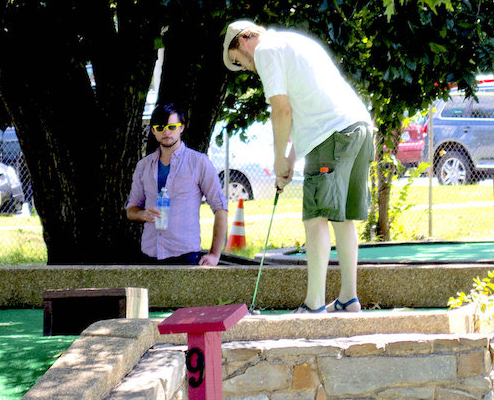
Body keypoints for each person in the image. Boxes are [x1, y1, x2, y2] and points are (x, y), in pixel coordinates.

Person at [222, 20, 374, 313]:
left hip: (331, 135)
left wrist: (278, 156)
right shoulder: (294, 42)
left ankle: (314, 304)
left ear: (242, 41)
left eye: (238, 62)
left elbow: (282, 110)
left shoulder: (265, 51)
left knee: (315, 218)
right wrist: (290, 161)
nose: (245, 68)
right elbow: (308, 108)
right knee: (343, 218)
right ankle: (347, 299)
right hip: (358, 128)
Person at [126, 103, 228, 266]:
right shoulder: (144, 165)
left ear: (181, 128)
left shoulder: (198, 162)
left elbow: (220, 207)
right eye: (160, 128)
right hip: (150, 254)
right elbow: (131, 210)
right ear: (153, 131)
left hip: (185, 255)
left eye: (172, 127)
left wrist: (215, 254)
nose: (166, 132)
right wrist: (142, 214)